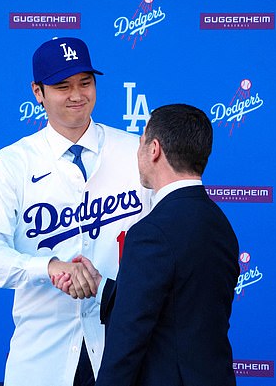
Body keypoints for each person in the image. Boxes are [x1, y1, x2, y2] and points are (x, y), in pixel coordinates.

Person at [0, 37, 151, 386]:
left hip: (124, 349)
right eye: (63, 86)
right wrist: (47, 267)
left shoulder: (134, 151)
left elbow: (166, 242)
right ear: (38, 92)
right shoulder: (10, 163)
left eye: (85, 82)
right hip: (42, 355)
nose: (77, 95)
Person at [59, 104, 239, 385]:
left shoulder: (150, 232)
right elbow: (181, 305)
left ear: (154, 149)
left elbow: (127, 338)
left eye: (141, 142)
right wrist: (102, 287)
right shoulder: (219, 223)